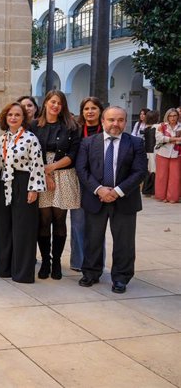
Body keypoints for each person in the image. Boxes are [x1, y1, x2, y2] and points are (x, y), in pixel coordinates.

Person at [76, 106, 147, 294]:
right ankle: (91, 273)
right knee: (93, 239)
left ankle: (121, 278)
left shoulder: (136, 143)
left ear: (125, 122)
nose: (115, 123)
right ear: (103, 121)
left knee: (124, 242)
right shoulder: (88, 143)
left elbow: (139, 171)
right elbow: (82, 170)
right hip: (95, 198)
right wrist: (99, 190)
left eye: (120, 120)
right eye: (111, 120)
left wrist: (117, 191)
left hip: (125, 200)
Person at [30, 90, 80, 280]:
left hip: (64, 173)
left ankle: (57, 261)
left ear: (63, 106)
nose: (55, 106)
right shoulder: (34, 125)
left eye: (59, 103)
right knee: (43, 221)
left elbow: (74, 154)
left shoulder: (71, 126)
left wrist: (52, 168)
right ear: (45, 104)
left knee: (59, 220)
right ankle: (45, 261)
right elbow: (32, 153)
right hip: (40, 174)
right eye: (52, 102)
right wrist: (46, 172)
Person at [0, 103, 45, 283]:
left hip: (24, 183)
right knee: (4, 228)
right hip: (4, 183)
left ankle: (22, 272)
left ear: (24, 118)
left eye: (17, 115)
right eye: (10, 115)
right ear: (5, 118)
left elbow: (37, 165)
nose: (13, 118)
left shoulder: (31, 138)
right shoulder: (2, 139)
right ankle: (4, 268)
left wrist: (34, 189)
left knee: (23, 229)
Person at [70, 96, 104, 272]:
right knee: (78, 223)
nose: (90, 111)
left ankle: (97, 262)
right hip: (78, 181)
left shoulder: (105, 130)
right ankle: (78, 262)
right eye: (86, 109)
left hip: (100, 183)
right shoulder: (76, 130)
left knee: (97, 225)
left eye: (93, 108)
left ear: (100, 111)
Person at [154, 108, 181, 203]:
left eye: (175, 115)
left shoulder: (180, 126)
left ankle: (173, 197)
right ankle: (161, 196)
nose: (173, 118)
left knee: (175, 177)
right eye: (170, 116)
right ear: (167, 116)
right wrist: (174, 139)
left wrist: (169, 139)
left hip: (177, 154)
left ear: (178, 116)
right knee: (161, 176)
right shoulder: (162, 126)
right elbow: (159, 138)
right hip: (162, 153)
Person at [141, 110, 159, 196]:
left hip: (147, 151)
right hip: (154, 151)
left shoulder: (146, 128)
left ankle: (146, 189)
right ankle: (151, 190)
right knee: (154, 171)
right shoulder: (156, 127)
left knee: (149, 170)